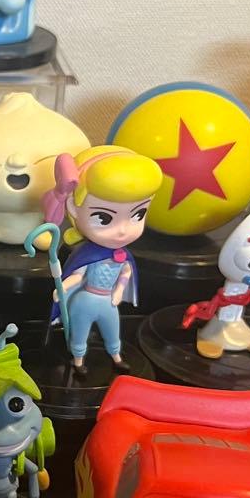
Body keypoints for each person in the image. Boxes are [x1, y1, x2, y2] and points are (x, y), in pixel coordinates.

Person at [43, 145, 163, 375]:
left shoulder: (124, 256)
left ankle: (116, 357)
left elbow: (126, 272)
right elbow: (78, 276)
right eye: (104, 218)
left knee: (112, 329)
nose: (123, 230)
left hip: (108, 302)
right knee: (79, 332)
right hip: (85, 300)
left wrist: (119, 291)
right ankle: (79, 361)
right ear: (74, 208)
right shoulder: (86, 256)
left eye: (138, 214)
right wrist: (64, 287)